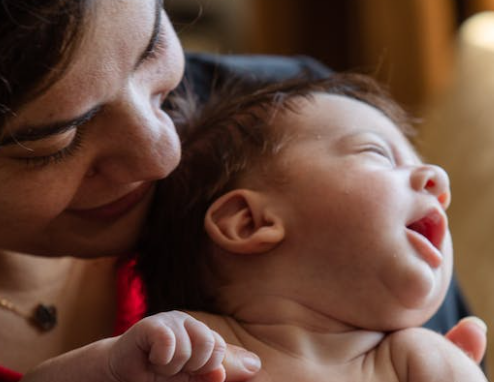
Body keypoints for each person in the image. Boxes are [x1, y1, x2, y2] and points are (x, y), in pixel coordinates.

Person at [0, 0, 486, 381]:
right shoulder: (186, 348)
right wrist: (110, 368)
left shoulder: (301, 105)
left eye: (149, 48)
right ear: (248, 221)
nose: (165, 155)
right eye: (56, 141)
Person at [138, 73, 489, 381]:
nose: (438, 179)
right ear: (249, 221)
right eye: (378, 152)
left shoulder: (420, 360)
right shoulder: (191, 349)